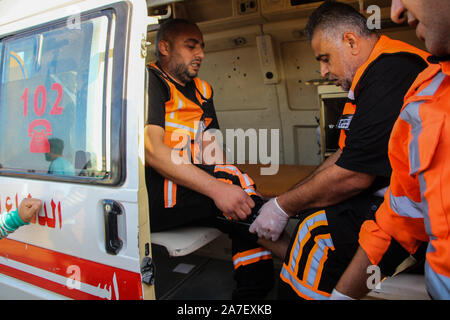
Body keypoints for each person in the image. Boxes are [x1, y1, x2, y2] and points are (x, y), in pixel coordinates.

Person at [249, 1, 430, 300]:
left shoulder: (392, 70)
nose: (323, 70)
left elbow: (354, 176)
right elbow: (343, 157)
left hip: (422, 218)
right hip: (398, 204)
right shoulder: (365, 81)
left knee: (317, 234)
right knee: (311, 213)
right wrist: (287, 201)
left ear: (350, 41)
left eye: (325, 59)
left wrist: (283, 207)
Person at [145, 18, 283, 299]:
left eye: (202, 47)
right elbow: (152, 150)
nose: (201, 54)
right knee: (239, 191)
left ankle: (252, 295)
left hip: (190, 189)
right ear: (164, 47)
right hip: (156, 196)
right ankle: (299, 261)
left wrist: (229, 186)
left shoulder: (202, 90)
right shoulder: (150, 82)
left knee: (239, 192)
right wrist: (217, 187)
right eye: (191, 46)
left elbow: (213, 150)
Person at [332, 0, 450, 300]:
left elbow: (354, 174)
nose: (396, 11)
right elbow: (402, 217)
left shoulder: (393, 71)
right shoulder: (427, 94)